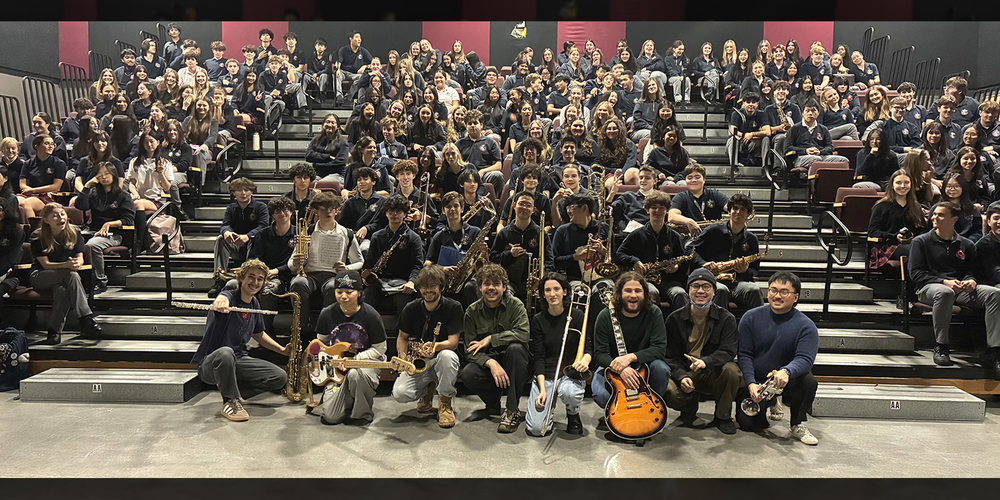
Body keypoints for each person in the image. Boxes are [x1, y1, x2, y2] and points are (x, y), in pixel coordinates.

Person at [191, 259, 290, 422]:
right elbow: (224, 296)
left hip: (238, 359)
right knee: (225, 352)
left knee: (279, 376)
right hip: (211, 362)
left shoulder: (255, 303)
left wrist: (282, 350)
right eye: (251, 277)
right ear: (242, 278)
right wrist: (221, 300)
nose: (255, 282)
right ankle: (230, 401)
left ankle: (233, 388)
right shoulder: (229, 295)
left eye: (260, 278)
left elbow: (259, 334)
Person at [909, 202, 1000, 372]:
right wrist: (943, 281)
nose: (934, 217)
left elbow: (971, 270)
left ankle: (994, 350)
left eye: (940, 215)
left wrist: (971, 280)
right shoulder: (920, 241)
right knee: (945, 293)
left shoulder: (966, 244)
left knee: (994, 294)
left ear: (954, 219)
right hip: (929, 287)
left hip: (959, 288)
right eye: (934, 214)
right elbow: (916, 273)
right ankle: (941, 346)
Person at [735, 271, 819, 445]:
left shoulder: (806, 326)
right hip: (759, 381)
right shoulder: (750, 318)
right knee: (748, 424)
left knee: (808, 381)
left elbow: (805, 358)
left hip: (787, 379)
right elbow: (744, 354)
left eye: (784, 292)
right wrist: (750, 383)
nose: (777, 295)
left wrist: (786, 371)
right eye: (773, 290)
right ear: (767, 293)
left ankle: (797, 423)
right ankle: (772, 402)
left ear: (795, 297)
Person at [664, 268, 742, 433]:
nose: (701, 291)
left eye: (706, 286)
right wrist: (681, 376)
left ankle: (723, 417)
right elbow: (669, 356)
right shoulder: (674, 319)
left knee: (732, 370)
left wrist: (705, 362)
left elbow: (728, 350)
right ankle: (689, 405)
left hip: (711, 372)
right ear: (688, 290)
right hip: (686, 370)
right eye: (696, 286)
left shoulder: (726, 318)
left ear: (714, 291)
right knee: (669, 391)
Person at [590, 272, 669, 430]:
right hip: (613, 365)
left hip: (644, 365)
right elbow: (600, 354)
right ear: (619, 293)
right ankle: (621, 413)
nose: (633, 295)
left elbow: (659, 348)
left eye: (638, 291)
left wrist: (631, 358)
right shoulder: (605, 316)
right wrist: (620, 367)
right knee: (599, 392)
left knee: (661, 369)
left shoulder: (654, 313)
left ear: (645, 294)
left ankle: (650, 407)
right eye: (628, 291)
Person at [460, 263, 531, 433]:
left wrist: (492, 339)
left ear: (504, 287)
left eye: (496, 284)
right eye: (487, 284)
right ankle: (492, 403)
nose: (491, 288)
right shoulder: (472, 311)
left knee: (515, 349)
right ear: (480, 287)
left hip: (516, 364)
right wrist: (490, 363)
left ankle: (512, 410)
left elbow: (523, 335)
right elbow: (468, 350)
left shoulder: (516, 305)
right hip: (491, 366)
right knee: (468, 373)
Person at [391, 265, 462, 428]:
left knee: (448, 356)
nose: (428, 290)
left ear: (441, 287)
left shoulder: (453, 307)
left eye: (432, 286)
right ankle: (427, 390)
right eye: (424, 286)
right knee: (399, 393)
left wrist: (436, 346)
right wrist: (403, 359)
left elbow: (453, 342)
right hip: (417, 362)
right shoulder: (410, 308)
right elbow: (402, 337)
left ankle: (445, 402)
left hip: (440, 359)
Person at [314, 270, 387, 426]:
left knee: (355, 374)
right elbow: (321, 346)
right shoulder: (326, 314)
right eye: (339, 292)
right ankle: (348, 402)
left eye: (349, 292)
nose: (344, 296)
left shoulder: (371, 315)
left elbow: (379, 349)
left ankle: (362, 413)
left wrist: (354, 359)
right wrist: (333, 359)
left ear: (359, 293)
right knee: (330, 417)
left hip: (365, 364)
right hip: (337, 368)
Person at [524, 272, 590, 436]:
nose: (552, 294)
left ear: (565, 291)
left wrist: (585, 361)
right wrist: (542, 390)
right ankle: (546, 411)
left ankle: (573, 414)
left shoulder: (577, 315)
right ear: (543, 294)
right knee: (536, 430)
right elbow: (538, 356)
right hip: (546, 374)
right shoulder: (538, 320)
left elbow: (588, 347)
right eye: (547, 290)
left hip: (569, 371)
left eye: (556, 289)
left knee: (569, 392)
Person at [30, 205, 99, 345]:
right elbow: (46, 265)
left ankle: (54, 331)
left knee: (62, 291)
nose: (60, 218)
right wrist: (67, 266)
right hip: (40, 275)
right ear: (46, 220)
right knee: (70, 275)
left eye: (62, 214)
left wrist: (77, 264)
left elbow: (80, 257)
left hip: (64, 277)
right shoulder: (38, 235)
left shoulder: (74, 232)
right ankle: (85, 318)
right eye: (55, 215)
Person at [615, 190, 689, 312]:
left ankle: (682, 329)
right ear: (647, 210)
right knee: (652, 293)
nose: (657, 211)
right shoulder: (636, 234)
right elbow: (619, 255)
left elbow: (683, 261)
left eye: (661, 208)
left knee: (680, 293)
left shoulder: (674, 236)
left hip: (668, 281)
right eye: (654, 207)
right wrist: (634, 261)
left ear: (666, 210)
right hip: (645, 281)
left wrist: (677, 267)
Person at [692, 193, 765, 310]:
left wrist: (745, 271)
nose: (738, 212)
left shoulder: (751, 239)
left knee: (754, 290)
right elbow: (690, 249)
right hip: (712, 279)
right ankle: (716, 327)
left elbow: (755, 270)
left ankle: (757, 325)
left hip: (736, 282)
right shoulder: (713, 230)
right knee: (721, 290)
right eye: (735, 208)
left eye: (743, 210)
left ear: (748, 215)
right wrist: (703, 263)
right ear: (729, 211)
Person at [73, 162, 135, 294]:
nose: (103, 177)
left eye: (107, 174)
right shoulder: (94, 194)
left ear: (113, 175)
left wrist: (109, 224)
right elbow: (80, 205)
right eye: (100, 174)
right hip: (92, 230)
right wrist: (87, 186)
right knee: (72, 238)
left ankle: (100, 280)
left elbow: (128, 219)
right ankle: (79, 278)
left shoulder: (123, 195)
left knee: (92, 245)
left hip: (114, 234)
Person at [490, 190, 555, 306]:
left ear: (534, 210)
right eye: (521, 203)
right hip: (510, 283)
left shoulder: (541, 234)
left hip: (535, 283)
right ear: (514, 205)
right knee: (507, 298)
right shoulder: (504, 233)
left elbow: (549, 260)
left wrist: (542, 279)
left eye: (528, 205)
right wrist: (510, 254)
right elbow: (493, 259)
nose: (524, 207)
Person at [361, 194, 423, 314]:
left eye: (398, 211)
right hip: (380, 282)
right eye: (391, 211)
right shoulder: (377, 236)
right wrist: (366, 272)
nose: (394, 214)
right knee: (365, 301)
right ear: (386, 213)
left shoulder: (413, 238)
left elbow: (417, 266)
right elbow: (370, 263)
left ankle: (404, 333)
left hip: (402, 284)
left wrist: (411, 282)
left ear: (404, 214)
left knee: (405, 305)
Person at [209, 178, 270, 297]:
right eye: (239, 190)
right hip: (236, 244)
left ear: (252, 192)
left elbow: (264, 226)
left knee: (255, 238)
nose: (243, 193)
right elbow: (225, 224)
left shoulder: (260, 206)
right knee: (221, 239)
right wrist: (227, 232)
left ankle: (248, 277)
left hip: (254, 246)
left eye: (247, 190)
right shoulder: (231, 208)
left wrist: (247, 236)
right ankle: (219, 278)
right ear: (233, 193)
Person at [551, 192, 608, 284]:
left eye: (571, 207)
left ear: (584, 208)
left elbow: (616, 258)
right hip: (573, 280)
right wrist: (575, 257)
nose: (568, 211)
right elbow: (554, 261)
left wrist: (603, 250)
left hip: (602, 278)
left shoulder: (604, 228)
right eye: (567, 208)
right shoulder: (562, 231)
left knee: (606, 287)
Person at [785, 100, 850, 171]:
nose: (810, 113)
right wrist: (805, 150)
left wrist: (820, 152)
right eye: (807, 111)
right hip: (802, 157)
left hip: (822, 156)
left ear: (818, 113)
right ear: (803, 113)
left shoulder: (823, 129)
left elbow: (830, 147)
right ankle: (813, 181)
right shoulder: (795, 128)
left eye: (813, 111)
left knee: (844, 160)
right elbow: (788, 147)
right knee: (815, 159)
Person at [668, 163, 730, 237]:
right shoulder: (680, 197)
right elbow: (671, 216)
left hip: (714, 237)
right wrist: (688, 221)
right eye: (689, 178)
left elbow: (730, 208)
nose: (693, 180)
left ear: (704, 180)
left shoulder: (715, 194)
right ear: (685, 181)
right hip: (690, 237)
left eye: (697, 177)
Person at [17, 135, 68, 219]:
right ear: (36, 146)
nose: (51, 146)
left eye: (52, 144)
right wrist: (29, 190)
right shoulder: (28, 164)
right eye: (47, 143)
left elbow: (56, 187)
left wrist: (33, 190)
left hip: (49, 196)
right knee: (14, 202)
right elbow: (22, 184)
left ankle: (34, 229)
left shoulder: (59, 163)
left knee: (26, 204)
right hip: (30, 194)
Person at [456, 109, 504, 197]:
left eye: (475, 123)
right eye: (470, 124)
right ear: (466, 126)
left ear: (481, 125)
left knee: (498, 175)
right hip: (465, 176)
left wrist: (482, 171)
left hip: (484, 175)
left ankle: (495, 203)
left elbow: (498, 165)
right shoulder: (459, 144)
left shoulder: (491, 142)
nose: (473, 126)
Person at [338, 167, 387, 248]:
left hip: (374, 239)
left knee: (365, 248)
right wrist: (353, 235)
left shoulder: (383, 202)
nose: (361, 182)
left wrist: (367, 229)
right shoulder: (350, 202)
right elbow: (342, 225)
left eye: (365, 179)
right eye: (359, 180)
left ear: (373, 182)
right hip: (352, 238)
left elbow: (383, 224)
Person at [727, 92, 770, 168]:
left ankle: (766, 167)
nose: (751, 104)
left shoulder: (761, 114)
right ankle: (734, 167)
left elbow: (767, 132)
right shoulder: (736, 113)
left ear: (757, 104)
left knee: (766, 139)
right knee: (733, 139)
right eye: (748, 102)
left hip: (753, 143)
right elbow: (731, 131)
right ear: (743, 103)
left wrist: (752, 135)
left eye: (753, 102)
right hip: (739, 142)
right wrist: (745, 136)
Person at [935, 173, 983, 242]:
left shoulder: (972, 209)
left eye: (956, 186)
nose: (952, 189)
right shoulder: (937, 208)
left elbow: (977, 232)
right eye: (948, 186)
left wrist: (966, 244)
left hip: (966, 244)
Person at [763, 81, 802, 156]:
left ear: (787, 92)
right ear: (774, 92)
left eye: (784, 89)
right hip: (775, 136)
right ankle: (777, 166)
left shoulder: (794, 107)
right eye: (778, 89)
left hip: (791, 135)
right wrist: (778, 128)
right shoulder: (768, 109)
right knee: (781, 138)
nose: (781, 91)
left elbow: (799, 125)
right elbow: (764, 128)